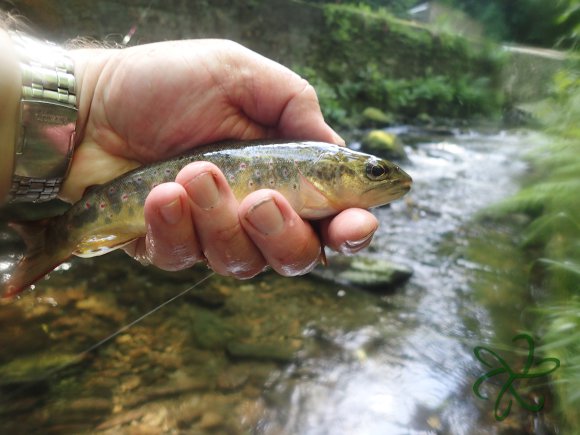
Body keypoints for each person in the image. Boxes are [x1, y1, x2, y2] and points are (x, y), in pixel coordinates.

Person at [0, 14, 378, 279]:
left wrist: (86, 97)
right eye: (373, 171)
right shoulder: (316, 157)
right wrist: (87, 101)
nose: (381, 178)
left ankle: (53, 235)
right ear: (332, 165)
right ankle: (53, 236)